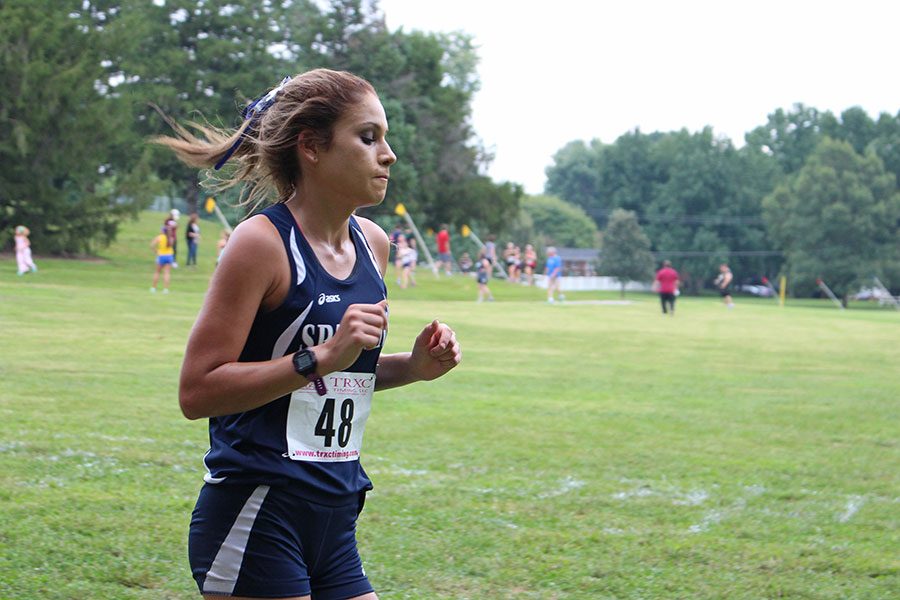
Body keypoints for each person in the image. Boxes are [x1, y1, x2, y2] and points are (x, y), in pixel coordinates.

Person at [154, 68, 461, 600]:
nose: (387, 155)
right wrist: (319, 356)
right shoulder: (260, 245)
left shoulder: (374, 245)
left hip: (335, 517)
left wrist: (411, 368)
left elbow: (341, 375)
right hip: (258, 511)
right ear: (313, 147)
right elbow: (197, 391)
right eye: (368, 138)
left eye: (385, 139)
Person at [150, 227, 174, 293]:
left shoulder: (160, 237)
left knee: (157, 272)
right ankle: (166, 289)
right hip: (169, 256)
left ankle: (153, 288)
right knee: (167, 273)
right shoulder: (171, 238)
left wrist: (156, 252)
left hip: (161, 256)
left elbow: (152, 245)